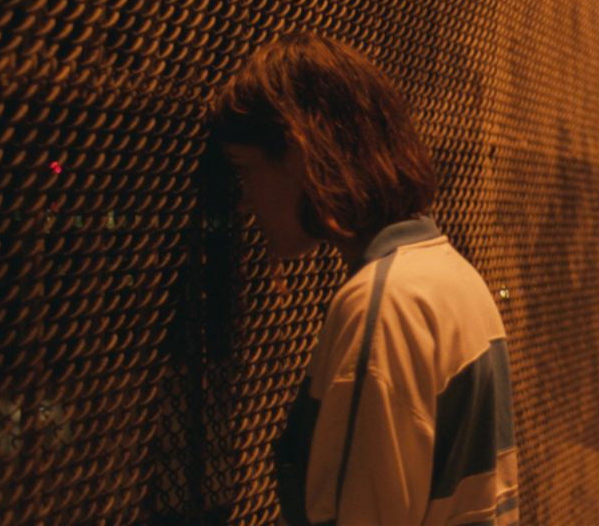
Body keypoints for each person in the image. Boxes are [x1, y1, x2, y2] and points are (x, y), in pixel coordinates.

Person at [207, 32, 519, 525]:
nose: (245, 201)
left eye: (246, 171)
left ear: (296, 152)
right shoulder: (452, 275)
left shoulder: (385, 303)